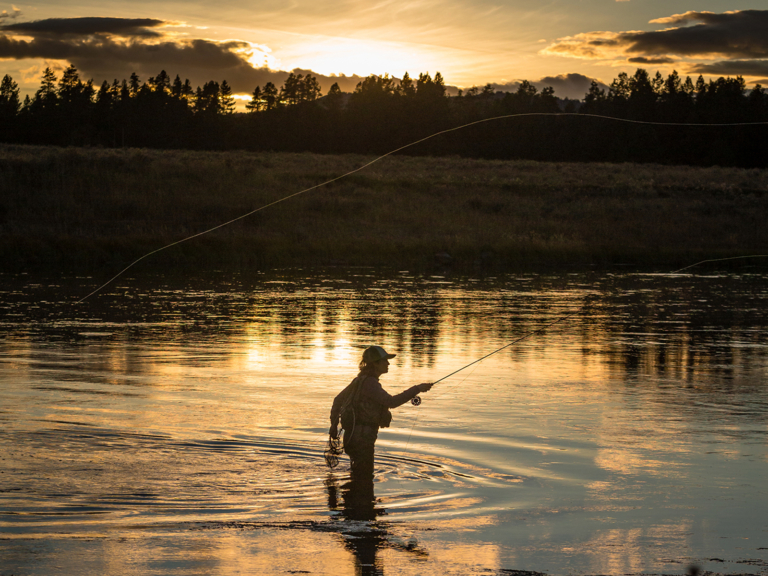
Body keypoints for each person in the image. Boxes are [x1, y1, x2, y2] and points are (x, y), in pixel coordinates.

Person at [328, 346, 433, 480]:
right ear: (375, 363)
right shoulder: (370, 383)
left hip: (352, 438)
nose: (388, 363)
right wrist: (416, 389)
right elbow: (391, 402)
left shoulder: (359, 380)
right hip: (362, 440)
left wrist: (333, 426)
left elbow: (338, 400)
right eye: (385, 361)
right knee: (364, 479)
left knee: (358, 477)